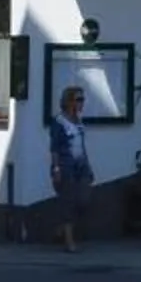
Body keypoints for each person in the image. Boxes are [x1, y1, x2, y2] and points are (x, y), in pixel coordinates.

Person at [46, 84, 94, 253]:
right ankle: (69, 241)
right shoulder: (59, 122)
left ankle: (61, 228)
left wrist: (88, 165)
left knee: (83, 200)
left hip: (81, 165)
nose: (81, 103)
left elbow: (81, 144)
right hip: (66, 165)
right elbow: (54, 148)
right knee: (68, 202)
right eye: (78, 99)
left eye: (82, 99)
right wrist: (56, 169)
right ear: (69, 101)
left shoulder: (79, 120)